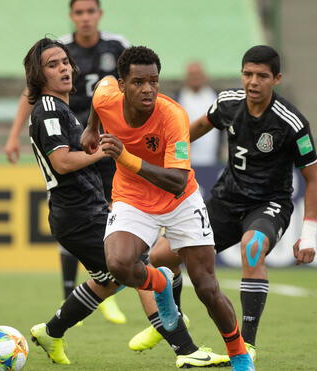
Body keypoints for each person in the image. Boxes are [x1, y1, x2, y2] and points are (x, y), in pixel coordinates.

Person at [24, 37, 230, 369]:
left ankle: (51, 331)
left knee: (112, 278)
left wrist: (93, 131)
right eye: (52, 64)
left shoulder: (65, 107)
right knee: (138, 268)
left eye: (65, 61)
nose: (63, 68)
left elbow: (100, 96)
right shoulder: (48, 109)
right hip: (76, 212)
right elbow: (62, 162)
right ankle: (185, 348)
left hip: (85, 208)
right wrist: (104, 151)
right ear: (37, 74)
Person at [129, 45, 317, 363]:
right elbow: (192, 131)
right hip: (226, 199)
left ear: (276, 79)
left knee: (252, 248)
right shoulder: (228, 103)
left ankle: (247, 344)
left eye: (262, 76)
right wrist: (159, 156)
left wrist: (310, 234)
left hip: (268, 204)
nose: (253, 81)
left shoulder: (292, 122)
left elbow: (313, 179)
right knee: (162, 256)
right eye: (248, 74)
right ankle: (173, 320)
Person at [82, 46, 255, 371]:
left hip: (180, 201)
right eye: (138, 82)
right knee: (118, 264)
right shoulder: (107, 96)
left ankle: (240, 355)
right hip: (133, 198)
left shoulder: (172, 115)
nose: (147, 89)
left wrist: (124, 157)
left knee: (206, 287)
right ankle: (160, 283)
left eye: (154, 81)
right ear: (122, 84)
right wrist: (92, 127)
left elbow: (176, 181)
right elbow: (97, 95)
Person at [4, 0, 129, 324]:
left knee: (112, 217)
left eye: (91, 11)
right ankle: (93, 285)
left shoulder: (117, 46)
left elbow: (136, 84)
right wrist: (13, 135)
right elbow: (28, 92)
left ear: (99, 15)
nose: (85, 17)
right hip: (70, 139)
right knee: (75, 208)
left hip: (104, 141)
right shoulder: (58, 52)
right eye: (79, 12)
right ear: (71, 17)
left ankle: (105, 283)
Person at [176, 62, 220, 166]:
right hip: (187, 161)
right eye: (192, 75)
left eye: (198, 74)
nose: (195, 78)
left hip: (212, 160)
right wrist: (180, 161)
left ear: (204, 76)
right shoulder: (178, 99)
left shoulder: (215, 98)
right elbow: (177, 132)